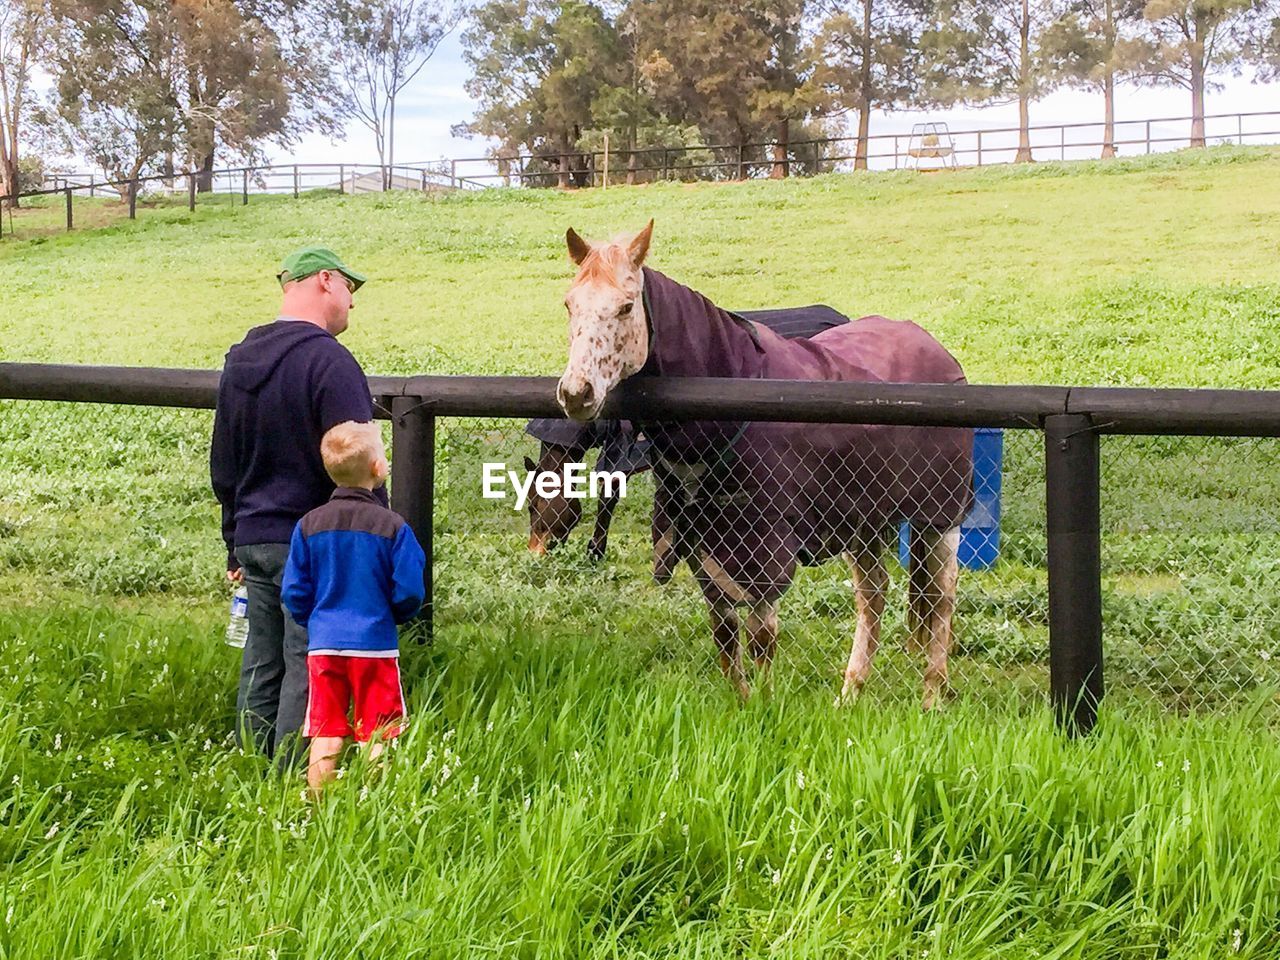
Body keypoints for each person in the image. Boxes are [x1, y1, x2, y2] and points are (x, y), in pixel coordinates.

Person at [210, 246, 382, 766]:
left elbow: (224, 458)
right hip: (313, 544)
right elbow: (361, 459)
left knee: (261, 660)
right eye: (350, 289)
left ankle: (249, 762)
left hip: (255, 538)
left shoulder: (239, 359)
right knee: (307, 660)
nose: (352, 303)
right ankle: (288, 776)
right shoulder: (329, 361)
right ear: (325, 281)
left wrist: (233, 541)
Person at [280, 421, 426, 794]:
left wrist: (315, 621)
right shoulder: (392, 527)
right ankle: (375, 804)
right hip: (374, 644)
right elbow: (410, 588)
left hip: (324, 645)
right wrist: (393, 615)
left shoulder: (308, 525)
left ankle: (315, 808)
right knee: (379, 731)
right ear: (378, 469)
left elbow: (294, 591)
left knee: (325, 731)